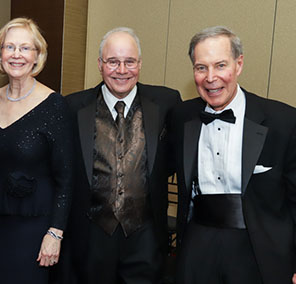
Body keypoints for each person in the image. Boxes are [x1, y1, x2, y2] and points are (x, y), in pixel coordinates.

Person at [170, 26, 296, 284]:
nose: (210, 77)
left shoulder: (283, 121)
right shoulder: (181, 117)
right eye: (201, 67)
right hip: (196, 245)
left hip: (259, 249)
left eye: (220, 65)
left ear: (239, 65)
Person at [64, 27, 181, 284]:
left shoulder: (167, 102)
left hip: (146, 235)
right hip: (92, 234)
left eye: (129, 61)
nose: (122, 70)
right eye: (113, 62)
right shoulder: (73, 107)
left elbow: (175, 159)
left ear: (139, 63)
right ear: (100, 64)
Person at [0, 17, 73, 284]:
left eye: (25, 48)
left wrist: (55, 233)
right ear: (0, 54)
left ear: (37, 56)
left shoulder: (55, 106)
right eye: (9, 47)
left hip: (36, 226)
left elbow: (66, 178)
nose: (16, 54)